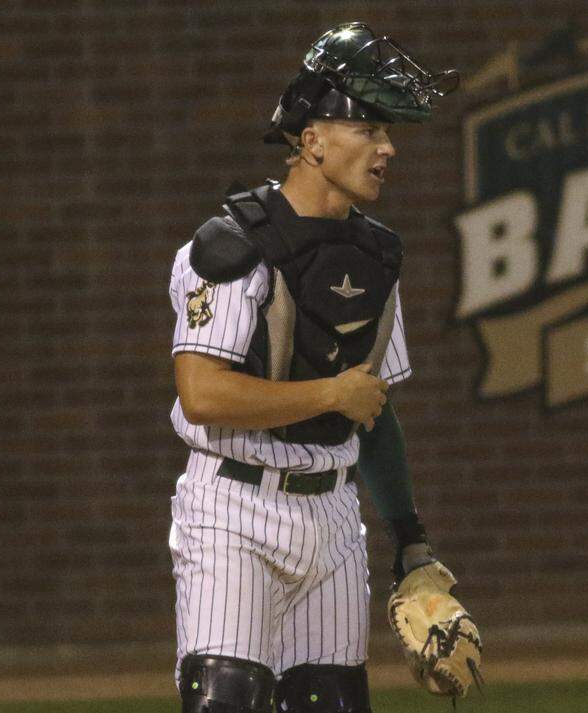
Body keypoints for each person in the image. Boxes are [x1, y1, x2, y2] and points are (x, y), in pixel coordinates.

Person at [166, 22, 460, 713]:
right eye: (370, 129)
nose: (387, 148)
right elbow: (202, 392)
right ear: (313, 140)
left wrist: (411, 541)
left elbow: (373, 411)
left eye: (389, 134)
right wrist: (332, 390)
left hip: (331, 514)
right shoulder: (231, 247)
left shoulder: (377, 257)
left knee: (332, 702)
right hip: (232, 506)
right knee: (227, 699)